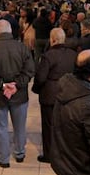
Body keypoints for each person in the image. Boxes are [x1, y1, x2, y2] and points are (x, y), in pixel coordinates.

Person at [0, 20, 35, 168]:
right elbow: (30, 70)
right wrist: (17, 84)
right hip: (20, 95)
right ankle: (19, 153)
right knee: (20, 126)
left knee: (0, 127)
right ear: (10, 31)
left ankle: (3, 158)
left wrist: (2, 85)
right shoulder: (22, 48)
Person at [32, 28, 77, 163]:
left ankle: (50, 155)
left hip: (50, 95)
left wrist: (36, 89)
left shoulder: (48, 56)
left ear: (52, 40)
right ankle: (66, 154)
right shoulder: (73, 54)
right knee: (66, 126)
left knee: (49, 126)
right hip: (69, 94)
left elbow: (40, 77)